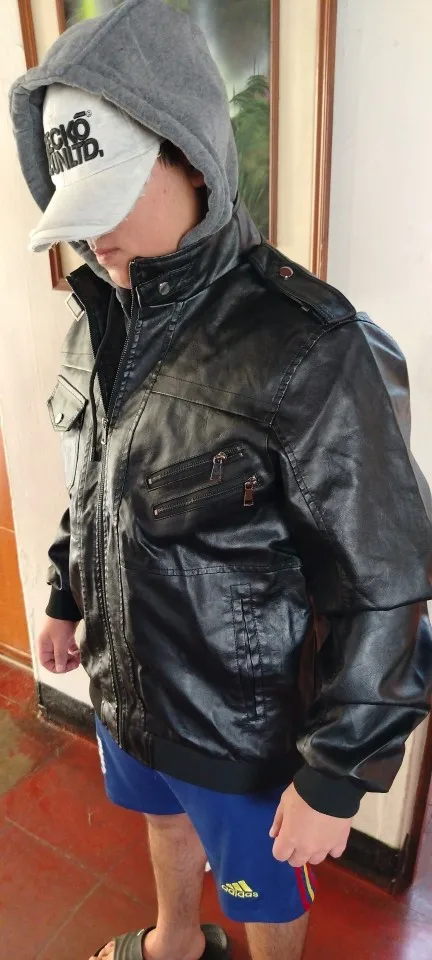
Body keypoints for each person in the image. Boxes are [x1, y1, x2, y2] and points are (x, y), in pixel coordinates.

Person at [10, 1, 432, 958]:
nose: (95, 237)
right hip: (127, 691)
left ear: (194, 158)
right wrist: (67, 597)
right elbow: (96, 484)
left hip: (242, 732)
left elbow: (386, 582)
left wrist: (337, 773)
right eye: (79, 211)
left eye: (115, 196)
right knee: (162, 824)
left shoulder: (310, 350)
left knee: (260, 892)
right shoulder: (98, 323)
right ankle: (175, 942)